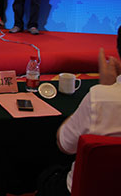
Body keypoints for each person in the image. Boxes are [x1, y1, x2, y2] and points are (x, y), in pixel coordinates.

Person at [37, 25, 121, 196]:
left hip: (86, 188)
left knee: (47, 175)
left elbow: (64, 144)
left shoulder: (100, 98)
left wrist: (106, 88)